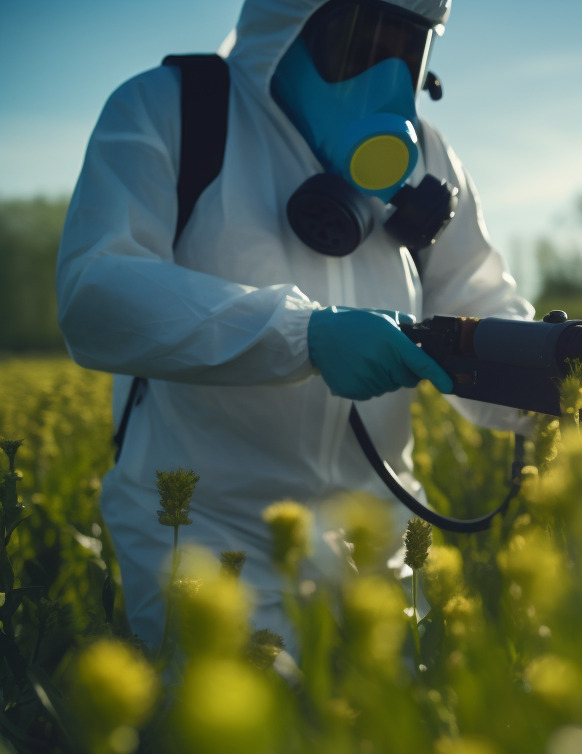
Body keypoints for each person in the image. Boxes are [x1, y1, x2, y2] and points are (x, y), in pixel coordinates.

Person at [55, 0, 531, 652]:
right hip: (203, 533)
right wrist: (303, 335)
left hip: (378, 538)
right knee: (263, 749)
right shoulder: (171, 110)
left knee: (393, 746)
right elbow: (96, 295)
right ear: (284, 30)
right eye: (363, 41)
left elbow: (481, 309)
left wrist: (561, 380)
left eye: (406, 48)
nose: (387, 75)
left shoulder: (430, 166)